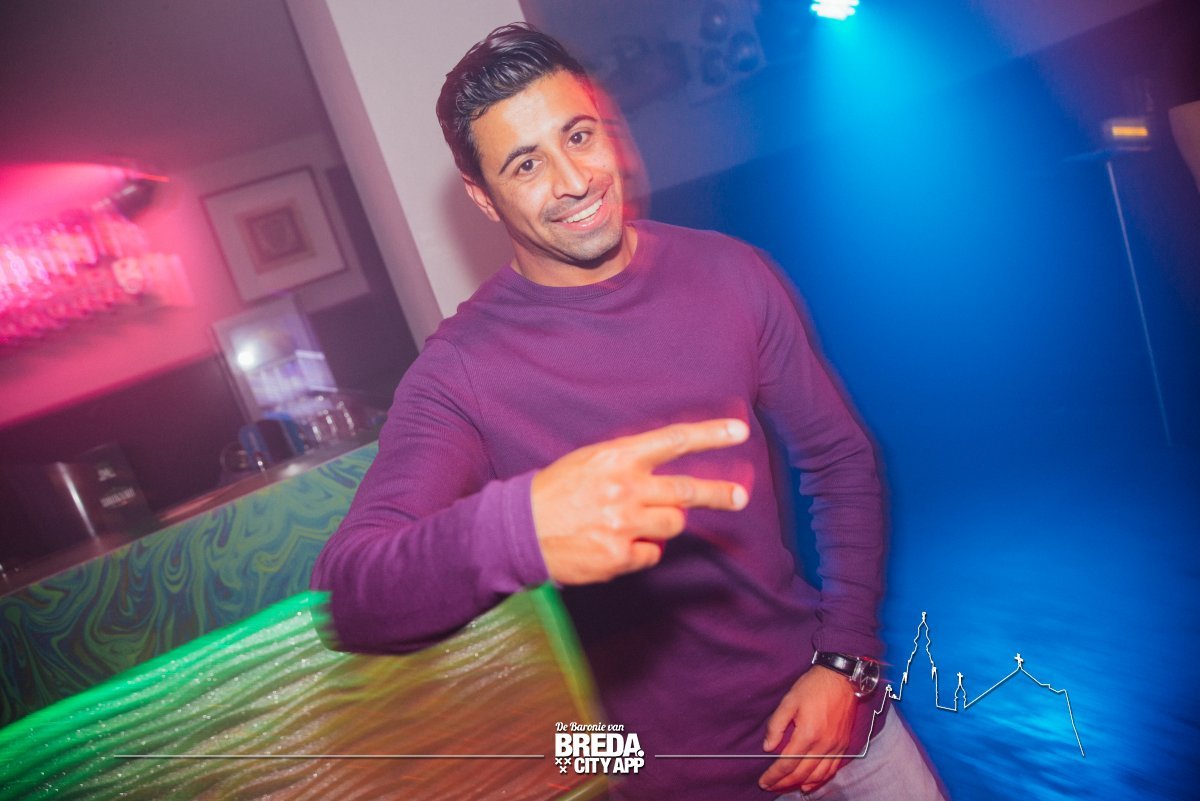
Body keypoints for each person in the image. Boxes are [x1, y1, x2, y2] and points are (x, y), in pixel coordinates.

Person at [312, 22, 946, 801]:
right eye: (525, 163)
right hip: (667, 779)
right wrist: (519, 528)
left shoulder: (731, 272)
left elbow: (838, 458)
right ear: (482, 196)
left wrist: (846, 659)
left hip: (831, 718)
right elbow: (349, 595)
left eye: (578, 136)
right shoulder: (460, 373)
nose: (574, 180)